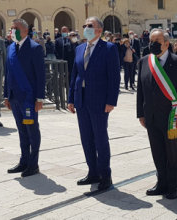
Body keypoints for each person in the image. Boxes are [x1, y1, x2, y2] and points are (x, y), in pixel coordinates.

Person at [137, 28, 177, 200]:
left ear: (167, 44)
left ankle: (172, 186)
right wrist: (140, 113)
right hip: (151, 117)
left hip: (171, 118)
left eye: (157, 42)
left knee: (172, 154)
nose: (152, 45)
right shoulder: (144, 62)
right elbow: (141, 91)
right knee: (157, 152)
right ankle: (161, 183)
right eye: (150, 42)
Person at [68, 16, 120, 191]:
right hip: (81, 99)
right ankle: (93, 172)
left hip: (99, 101)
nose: (86, 28)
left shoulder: (109, 48)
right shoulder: (80, 48)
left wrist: (111, 101)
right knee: (86, 138)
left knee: (100, 138)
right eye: (85, 25)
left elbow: (114, 77)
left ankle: (105, 174)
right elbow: (74, 75)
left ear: (99, 30)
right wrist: (70, 99)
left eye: (90, 26)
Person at [4, 19, 46, 177]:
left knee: (32, 130)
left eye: (15, 28)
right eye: (11, 28)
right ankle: (24, 161)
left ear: (25, 31)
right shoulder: (10, 49)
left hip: (29, 100)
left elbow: (40, 75)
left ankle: (33, 164)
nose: (12, 31)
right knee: (21, 130)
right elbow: (7, 73)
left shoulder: (34, 48)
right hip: (14, 98)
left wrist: (40, 98)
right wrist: (6, 95)